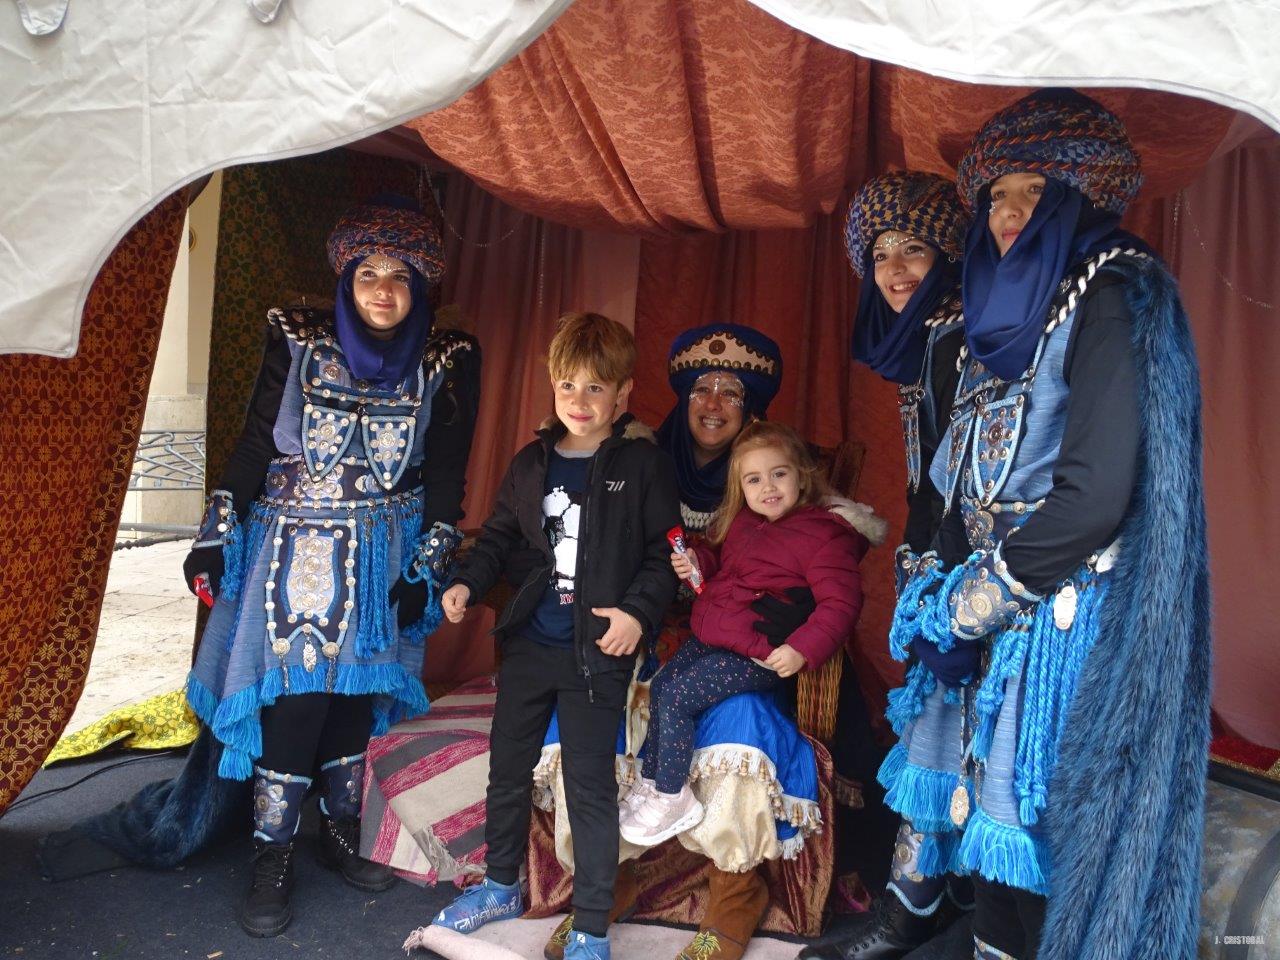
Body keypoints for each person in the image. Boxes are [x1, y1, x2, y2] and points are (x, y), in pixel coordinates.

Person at [864, 90, 1209, 960]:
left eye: (1033, 192)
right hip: (990, 603)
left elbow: (1095, 494)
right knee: (984, 834)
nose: (1009, 213)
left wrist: (969, 606)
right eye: (997, 196)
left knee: (1032, 838)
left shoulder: (1113, 288)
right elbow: (952, 478)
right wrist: (932, 592)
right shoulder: (998, 308)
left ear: (1077, 196)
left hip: (1062, 610)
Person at [181, 194, 481, 937]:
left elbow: (448, 473)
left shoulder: (448, 356)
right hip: (296, 545)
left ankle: (340, 828)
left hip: (386, 547)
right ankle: (272, 852)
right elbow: (256, 443)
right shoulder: (298, 336)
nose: (383, 290)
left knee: (357, 693)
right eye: (368, 273)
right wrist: (216, 531)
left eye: (400, 276)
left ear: (420, 286)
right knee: (297, 697)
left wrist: (428, 565)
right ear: (346, 279)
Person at [429, 312, 681, 960]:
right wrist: (465, 583)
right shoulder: (531, 462)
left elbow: (664, 555)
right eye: (568, 385)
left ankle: (592, 927)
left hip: (597, 654)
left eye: (596, 387)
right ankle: (499, 886)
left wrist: (635, 615)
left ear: (623, 392)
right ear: (552, 385)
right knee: (507, 771)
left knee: (588, 787)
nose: (580, 400)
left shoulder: (643, 465)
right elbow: (499, 538)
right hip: (529, 647)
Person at [803, 172, 972, 960]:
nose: (896, 269)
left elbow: (971, 483)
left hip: (975, 578)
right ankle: (928, 903)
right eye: (880, 255)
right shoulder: (930, 337)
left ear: (949, 254)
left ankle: (924, 912)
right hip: (940, 568)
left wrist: (948, 582)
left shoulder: (960, 332)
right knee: (940, 734)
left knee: (952, 736)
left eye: (914, 249)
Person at [621, 421, 869, 844]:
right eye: (753, 479)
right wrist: (698, 562)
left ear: (802, 476)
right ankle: (651, 781)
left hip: (756, 652)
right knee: (662, 686)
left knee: (679, 696)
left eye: (779, 473)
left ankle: (672, 795)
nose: (767, 486)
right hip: (713, 636)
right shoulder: (745, 522)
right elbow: (723, 563)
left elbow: (841, 604)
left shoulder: (825, 535)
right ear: (741, 487)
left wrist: (801, 648)